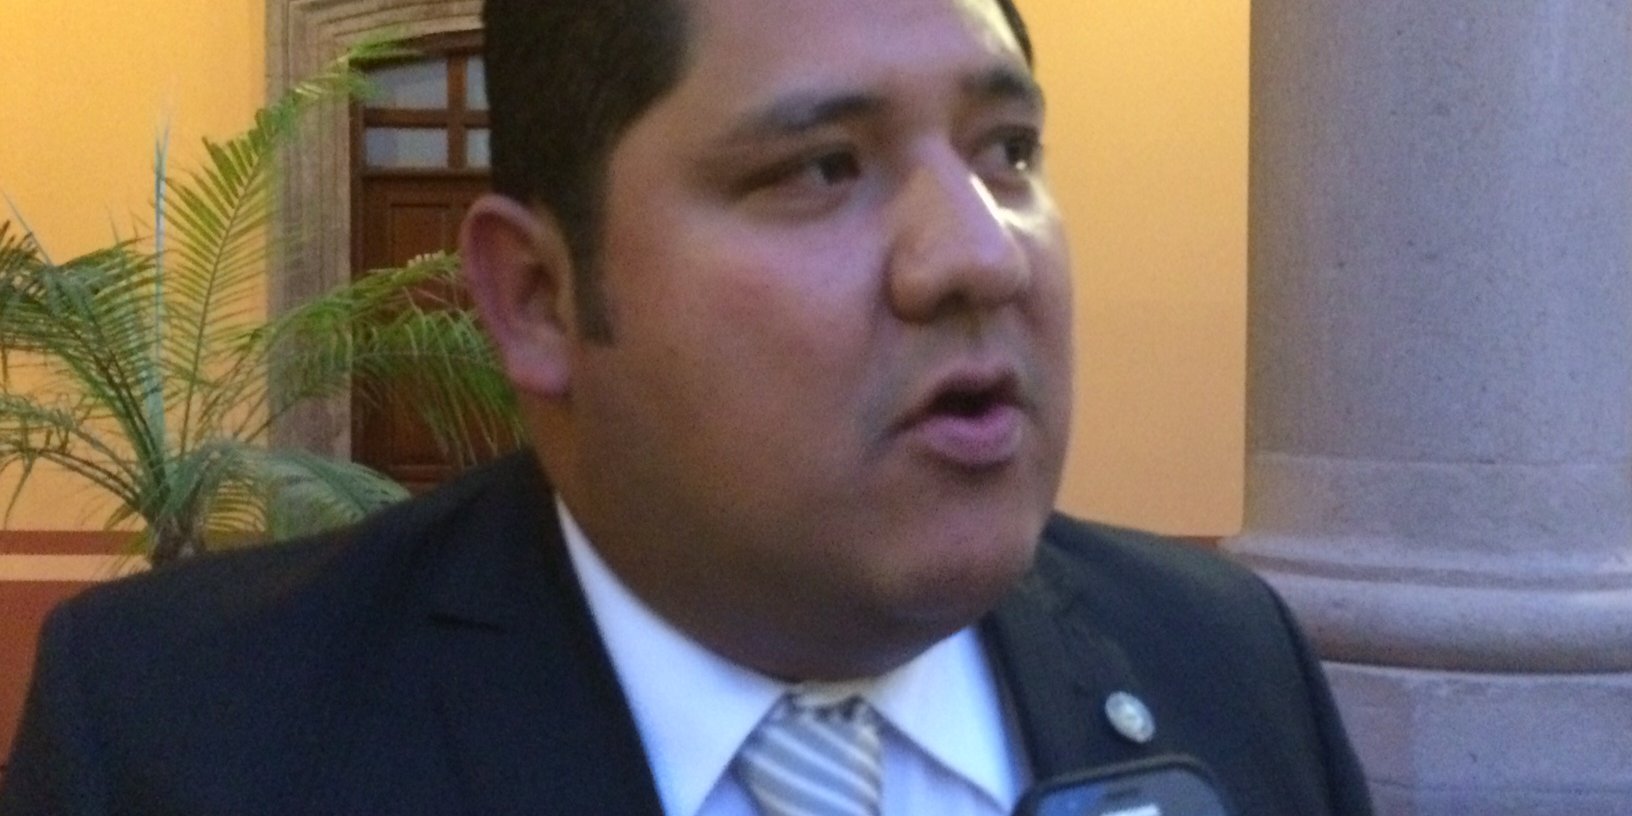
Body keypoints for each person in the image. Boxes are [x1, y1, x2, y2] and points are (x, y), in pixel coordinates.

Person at [0, 0, 1375, 813]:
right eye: (822, 167)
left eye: (1007, 151)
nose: (978, 255)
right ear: (538, 297)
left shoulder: (1224, 660)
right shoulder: (187, 736)